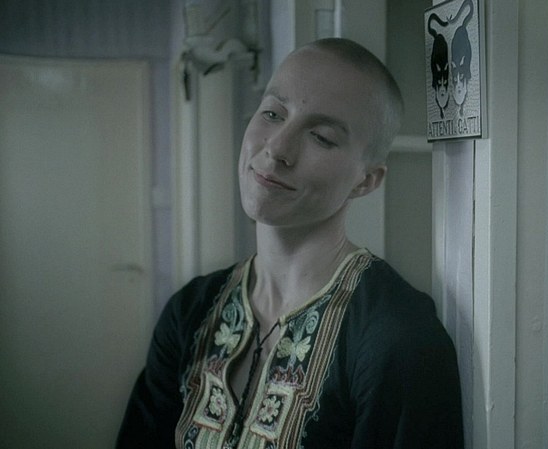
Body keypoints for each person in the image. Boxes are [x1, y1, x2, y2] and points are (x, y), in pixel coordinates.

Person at [117, 38, 464, 449]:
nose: (277, 149)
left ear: (366, 180)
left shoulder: (399, 339)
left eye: (321, 137)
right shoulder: (190, 313)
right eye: (272, 113)